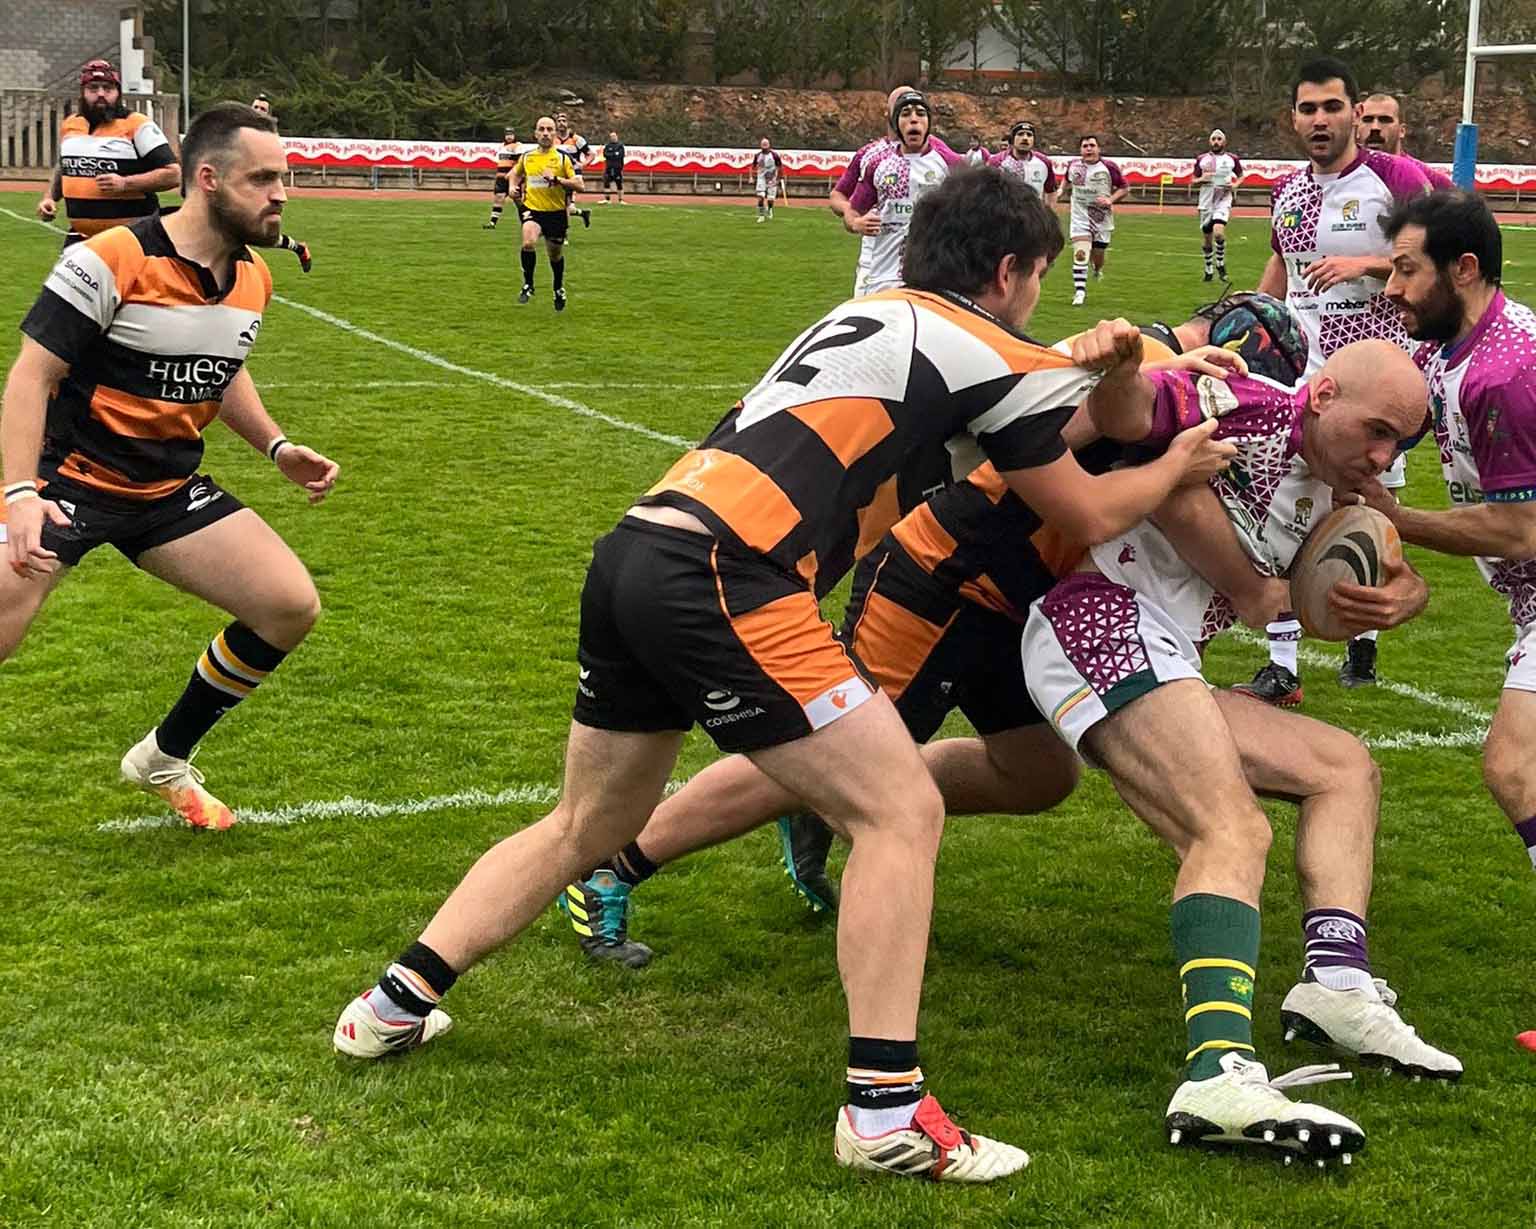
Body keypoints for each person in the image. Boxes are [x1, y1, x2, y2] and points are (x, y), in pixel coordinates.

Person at [330, 166, 1236, 1183]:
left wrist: (1108, 360)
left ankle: (389, 1006)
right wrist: (1178, 464)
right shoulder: (998, 345)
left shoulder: (870, 310)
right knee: (901, 808)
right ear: (1013, 269)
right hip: (731, 569)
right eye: (1036, 277)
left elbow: (1090, 407)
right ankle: (884, 1107)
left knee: (584, 822)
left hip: (636, 546)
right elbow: (1093, 506)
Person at [556, 294, 1303, 940]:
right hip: (942, 576)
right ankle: (616, 867)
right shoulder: (1144, 361)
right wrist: (1165, 420)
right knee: (818, 750)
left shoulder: (1189, 385)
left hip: (1019, 604)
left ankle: (830, 805)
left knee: (1039, 773)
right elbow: (1061, 429)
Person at [1023, 336, 1448, 1163]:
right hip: (1099, 620)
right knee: (1232, 827)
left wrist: (1406, 595)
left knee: (1344, 767)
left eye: (1400, 442)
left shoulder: (1338, 485)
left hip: (1165, 650)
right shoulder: (1245, 407)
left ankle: (1336, 982)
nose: (1385, 455)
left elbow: (1391, 563)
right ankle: (1217, 1072)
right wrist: (1122, 368)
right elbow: (1126, 413)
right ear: (1321, 395)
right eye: (1378, 430)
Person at [1, 102, 339, 830]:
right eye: (263, 178)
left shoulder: (252, 279)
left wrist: (277, 447)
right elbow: (30, 376)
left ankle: (163, 755)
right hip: (67, 486)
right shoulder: (109, 258)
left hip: (164, 490)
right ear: (208, 179)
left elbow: (222, 369)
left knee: (288, 605)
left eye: (285, 176)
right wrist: (21, 493)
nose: (282, 192)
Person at [1240, 55, 1433, 705]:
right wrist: (1247, 322)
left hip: (1373, 382)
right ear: (1292, 118)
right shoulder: (1289, 192)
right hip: (1303, 380)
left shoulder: (1395, 179)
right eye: (1307, 108)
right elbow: (1280, 267)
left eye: (1332, 107)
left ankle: (1362, 641)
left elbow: (1435, 257)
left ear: (1355, 112)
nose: (1320, 119)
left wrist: (1370, 263)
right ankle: (1284, 664)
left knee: (1361, 505)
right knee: (1284, 506)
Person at [1374, 190, 1536, 876]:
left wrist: (1397, 518)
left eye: (1407, 270)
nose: (1391, 289)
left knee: (1515, 766)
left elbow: (1522, 529)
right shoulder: (1450, 351)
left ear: (1463, 269)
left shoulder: (1506, 372)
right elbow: (1389, 421)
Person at [36, 60, 179, 249]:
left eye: (108, 88)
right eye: (93, 88)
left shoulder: (138, 125)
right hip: (81, 239)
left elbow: (173, 174)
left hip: (132, 241)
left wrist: (125, 183)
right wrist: (50, 198)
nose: (101, 94)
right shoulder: (71, 124)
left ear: (118, 92)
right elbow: (65, 166)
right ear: (83, 92)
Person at [845, 90, 962, 295]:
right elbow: (852, 212)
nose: (914, 120)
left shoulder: (950, 164)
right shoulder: (878, 164)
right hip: (881, 277)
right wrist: (856, 223)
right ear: (896, 124)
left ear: (929, 123)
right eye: (906, 113)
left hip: (931, 278)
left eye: (920, 113)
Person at [511, 116, 582, 312]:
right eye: (541, 129)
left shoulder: (562, 158)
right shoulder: (527, 157)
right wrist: (512, 187)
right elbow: (515, 174)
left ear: (554, 134)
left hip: (556, 213)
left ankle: (558, 288)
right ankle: (528, 284)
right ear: (535, 133)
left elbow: (579, 184)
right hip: (533, 210)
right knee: (528, 242)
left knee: (555, 255)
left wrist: (558, 180)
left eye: (549, 129)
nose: (545, 133)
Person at [247, 93, 312, 272]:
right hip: (245, 186)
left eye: (263, 109)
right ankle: (299, 248)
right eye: (256, 107)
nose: (258, 111)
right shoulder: (243, 131)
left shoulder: (270, 137)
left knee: (255, 234)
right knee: (246, 233)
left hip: (262, 188)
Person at [1065, 135, 1128, 306]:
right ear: (1080, 150)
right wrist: (1060, 192)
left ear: (1099, 148)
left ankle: (1098, 269)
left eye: (1092, 145)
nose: (1089, 149)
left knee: (1098, 255)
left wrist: (1110, 200)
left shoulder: (1109, 167)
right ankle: (1079, 292)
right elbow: (1066, 181)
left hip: (1102, 218)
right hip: (1080, 216)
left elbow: (1124, 188)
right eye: (1085, 146)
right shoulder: (1073, 165)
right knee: (1081, 252)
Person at [1358, 94, 1456, 190]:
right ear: (1357, 128)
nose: (1375, 128)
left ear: (1402, 131)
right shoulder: (1347, 173)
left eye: (1385, 120)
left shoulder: (1430, 178)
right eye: (1367, 120)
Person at [1190, 128, 1244, 282]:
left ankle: (1220, 263)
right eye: (1213, 139)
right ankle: (1208, 269)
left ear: (1224, 142)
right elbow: (1193, 181)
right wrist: (1201, 180)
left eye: (1219, 139)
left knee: (1219, 233)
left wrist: (1234, 186)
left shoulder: (1232, 158)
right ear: (1209, 141)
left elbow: (1241, 176)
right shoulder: (1202, 159)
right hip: (1206, 202)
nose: (1216, 142)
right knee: (1207, 239)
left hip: (1223, 200)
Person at [987, 121, 1058, 206]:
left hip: (1032, 216)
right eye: (1020, 134)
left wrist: (1048, 214)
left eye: (1029, 135)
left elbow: (1051, 191)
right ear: (1013, 139)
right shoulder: (997, 162)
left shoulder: (1044, 162)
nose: (1025, 138)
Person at [554, 112, 592, 231]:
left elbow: (590, 154)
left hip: (572, 175)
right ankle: (583, 214)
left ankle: (563, 232)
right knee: (563, 207)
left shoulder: (576, 139)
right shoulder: (552, 138)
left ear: (568, 123)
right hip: (558, 174)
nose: (561, 123)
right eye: (559, 121)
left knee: (565, 205)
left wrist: (582, 164)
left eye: (564, 121)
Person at [485, 125, 526, 229]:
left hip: (512, 178)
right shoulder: (501, 146)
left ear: (514, 135)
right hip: (501, 178)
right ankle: (492, 223)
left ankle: (525, 222)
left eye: (511, 134)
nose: (509, 136)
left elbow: (519, 162)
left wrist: (515, 175)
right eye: (507, 134)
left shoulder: (517, 146)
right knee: (499, 198)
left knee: (518, 201)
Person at [752, 137, 783, 223]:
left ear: (769, 146)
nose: (765, 148)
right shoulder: (757, 155)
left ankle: (769, 209)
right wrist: (751, 176)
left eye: (766, 145)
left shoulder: (774, 155)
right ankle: (761, 215)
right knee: (760, 197)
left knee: (770, 199)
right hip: (761, 178)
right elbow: (752, 166)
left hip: (772, 179)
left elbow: (780, 167)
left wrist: (779, 178)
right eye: (763, 146)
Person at [600, 130, 625, 205]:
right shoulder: (607, 146)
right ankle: (607, 200)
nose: (613, 138)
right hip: (609, 168)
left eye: (614, 136)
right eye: (612, 137)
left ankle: (620, 200)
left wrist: (612, 155)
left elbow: (620, 155)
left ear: (617, 137)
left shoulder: (620, 146)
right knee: (606, 183)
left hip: (618, 168)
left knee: (619, 184)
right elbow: (605, 154)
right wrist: (614, 154)